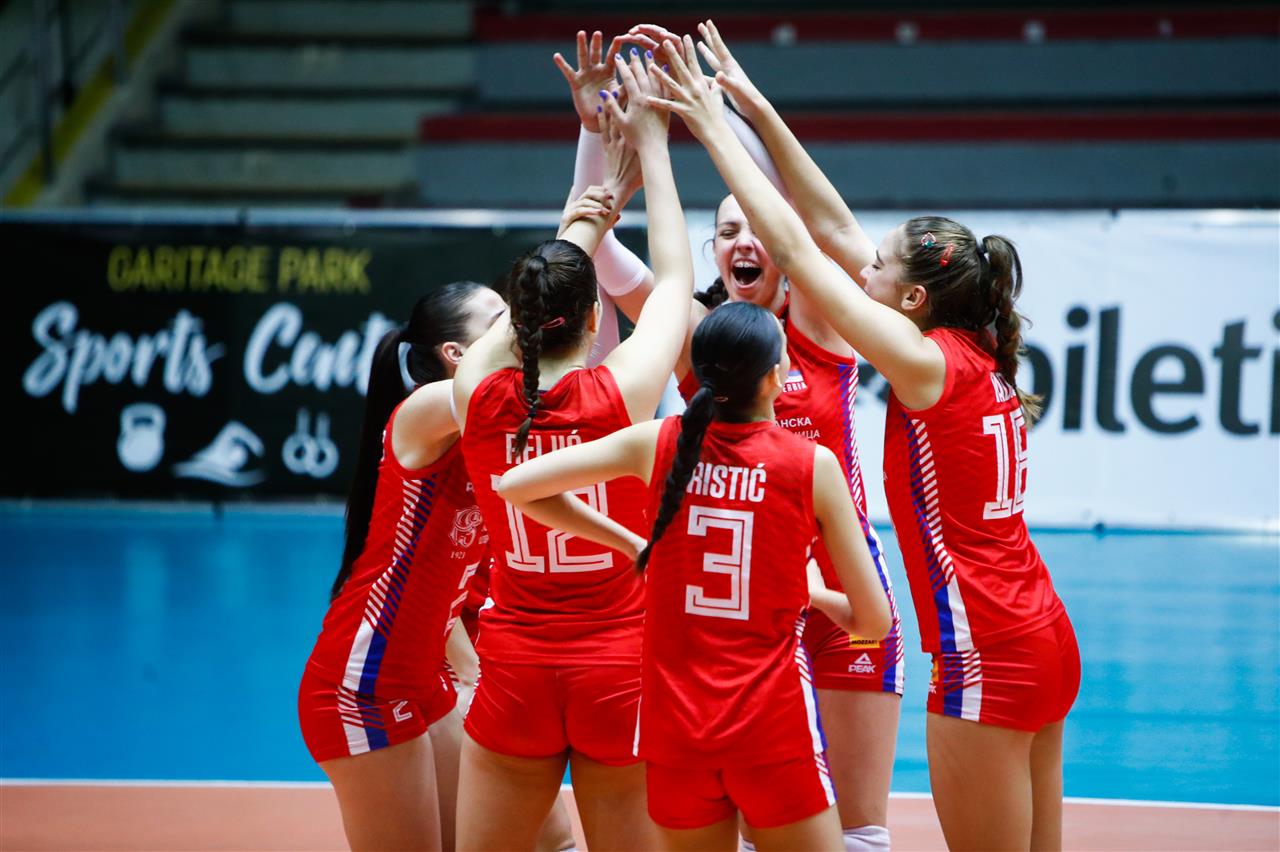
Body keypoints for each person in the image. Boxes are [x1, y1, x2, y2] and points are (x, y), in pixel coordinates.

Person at [652, 23, 1081, 850]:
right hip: (1041, 631)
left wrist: (708, 126)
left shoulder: (924, 364)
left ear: (913, 298)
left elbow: (797, 243)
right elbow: (832, 223)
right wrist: (754, 105)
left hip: (987, 647)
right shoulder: (972, 344)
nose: (862, 265)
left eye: (878, 266)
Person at [587, 27, 906, 851]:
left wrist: (721, 111)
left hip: (842, 599)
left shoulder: (823, 326)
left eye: (754, 225)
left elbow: (804, 226)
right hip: (734, 614)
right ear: (713, 253)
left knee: (857, 833)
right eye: (725, 231)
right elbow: (603, 258)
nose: (742, 241)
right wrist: (600, 137)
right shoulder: (699, 338)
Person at [497, 301, 893, 851]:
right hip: (771, 728)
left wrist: (630, 544)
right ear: (774, 377)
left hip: (675, 733)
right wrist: (817, 593)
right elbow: (874, 623)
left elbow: (514, 485)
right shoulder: (812, 465)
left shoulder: (657, 441)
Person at [450, 53, 692, 851]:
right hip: (618, 670)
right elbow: (674, 282)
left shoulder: (476, 394)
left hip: (515, 669)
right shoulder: (622, 395)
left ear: (517, 319)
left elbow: (533, 303)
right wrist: (652, 146)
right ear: (595, 320)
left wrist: (585, 217)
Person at [298, 280, 506, 851]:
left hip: (423, 681)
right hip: (359, 689)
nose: (520, 323)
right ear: (456, 354)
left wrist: (472, 673)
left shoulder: (491, 425)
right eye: (502, 319)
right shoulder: (426, 409)